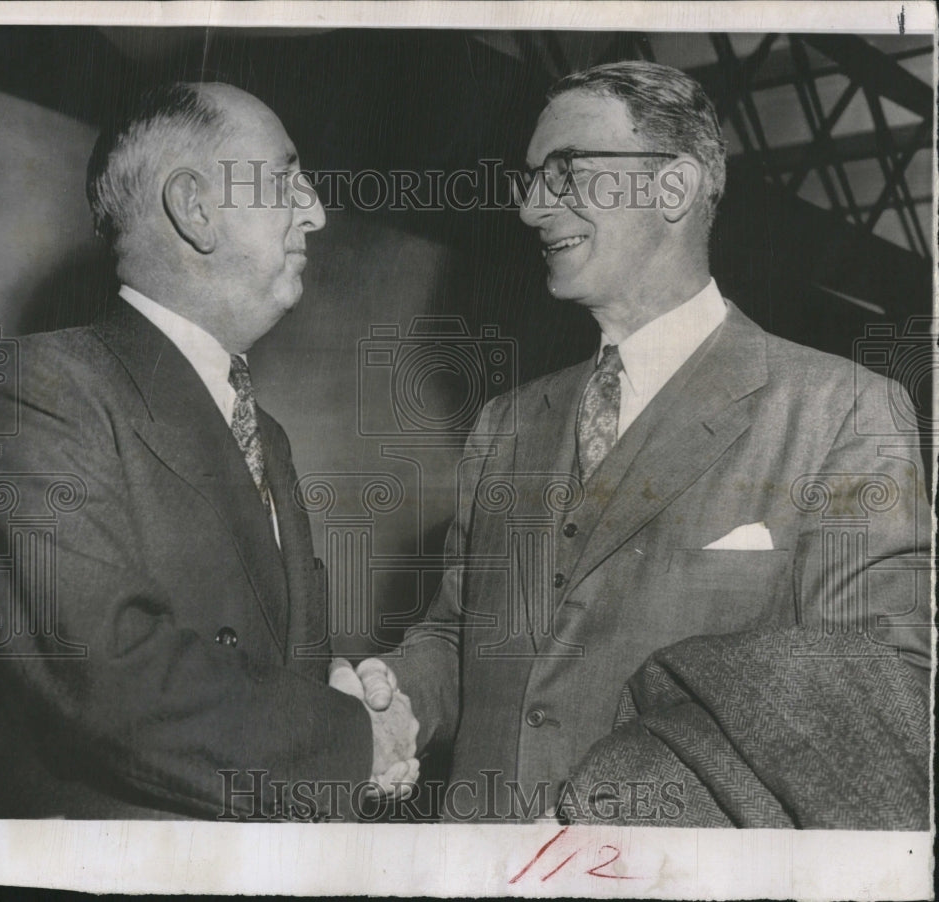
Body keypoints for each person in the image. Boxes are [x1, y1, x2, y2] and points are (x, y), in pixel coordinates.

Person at [334, 62, 931, 827]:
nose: (528, 207)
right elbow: (460, 634)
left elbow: (875, 702)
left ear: (674, 189)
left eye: (564, 172)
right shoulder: (507, 424)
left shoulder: (841, 412)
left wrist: (619, 806)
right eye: (530, 179)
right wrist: (398, 697)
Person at [0, 82, 417, 820]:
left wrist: (334, 684)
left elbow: (270, 662)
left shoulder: (262, 432)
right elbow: (112, 677)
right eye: (286, 178)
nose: (316, 210)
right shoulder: (34, 386)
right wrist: (353, 739)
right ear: (195, 208)